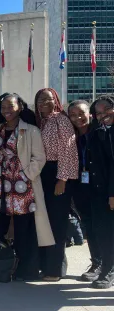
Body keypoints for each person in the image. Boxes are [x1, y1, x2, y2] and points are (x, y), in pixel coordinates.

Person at [0, 93, 55, 281]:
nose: (6, 110)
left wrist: (25, 175)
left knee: (25, 230)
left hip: (23, 189)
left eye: (11, 106)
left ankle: (26, 270)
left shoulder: (31, 130)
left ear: (20, 107)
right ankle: (0, 267)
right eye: (3, 107)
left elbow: (39, 158)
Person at [34, 88, 79, 282]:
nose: (44, 102)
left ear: (56, 101)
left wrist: (62, 179)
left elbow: (69, 151)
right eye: (40, 99)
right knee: (44, 221)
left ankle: (55, 269)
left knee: (57, 222)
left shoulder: (61, 120)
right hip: (41, 174)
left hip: (57, 173)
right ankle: (43, 264)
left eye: (48, 99)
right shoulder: (40, 122)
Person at [67, 100, 101, 282]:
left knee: (100, 226)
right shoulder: (71, 136)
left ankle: (104, 264)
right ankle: (97, 262)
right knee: (89, 225)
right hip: (80, 187)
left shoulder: (99, 133)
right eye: (72, 115)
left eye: (81, 113)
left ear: (90, 113)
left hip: (99, 188)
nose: (77, 118)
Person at [83, 96, 114, 288]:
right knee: (103, 232)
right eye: (99, 113)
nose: (103, 115)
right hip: (98, 191)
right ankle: (107, 268)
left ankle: (108, 270)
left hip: (110, 192)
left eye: (107, 110)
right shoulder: (98, 132)